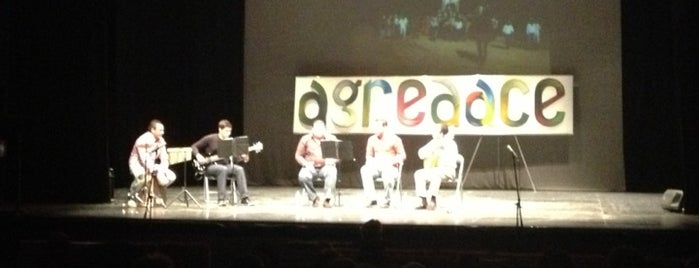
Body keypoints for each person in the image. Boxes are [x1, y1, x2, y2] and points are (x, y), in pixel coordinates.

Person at [191, 119, 251, 206]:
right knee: (222, 169)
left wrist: (243, 158)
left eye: (230, 131)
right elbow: (194, 146)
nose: (228, 133)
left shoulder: (231, 142)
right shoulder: (211, 138)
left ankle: (244, 198)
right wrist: (197, 155)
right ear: (220, 129)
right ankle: (221, 200)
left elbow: (235, 160)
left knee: (239, 169)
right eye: (226, 131)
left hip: (226, 166)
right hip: (210, 166)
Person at [127, 119, 177, 208]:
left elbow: (164, 158)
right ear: (153, 130)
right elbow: (144, 159)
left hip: (151, 164)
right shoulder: (143, 140)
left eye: (163, 130)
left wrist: (163, 168)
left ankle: (156, 197)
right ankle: (132, 196)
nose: (163, 133)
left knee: (168, 177)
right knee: (144, 177)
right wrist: (152, 170)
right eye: (160, 130)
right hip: (138, 164)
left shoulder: (161, 141)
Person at [360, 118, 406, 208]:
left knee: (388, 174)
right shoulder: (371, 139)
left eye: (377, 127)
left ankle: (387, 200)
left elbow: (402, 155)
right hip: (376, 166)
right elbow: (369, 156)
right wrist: (370, 162)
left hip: (390, 166)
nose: (375, 130)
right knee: (364, 170)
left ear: (384, 127)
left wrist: (393, 161)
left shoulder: (395, 139)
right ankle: (372, 199)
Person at [294, 119, 339, 208]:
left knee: (332, 172)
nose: (319, 131)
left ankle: (327, 199)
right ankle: (314, 198)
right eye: (317, 129)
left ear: (325, 130)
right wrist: (305, 163)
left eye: (321, 129)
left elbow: (338, 156)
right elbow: (298, 155)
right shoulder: (305, 139)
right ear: (312, 130)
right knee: (303, 175)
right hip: (311, 167)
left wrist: (332, 160)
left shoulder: (331, 139)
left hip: (325, 166)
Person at [413, 124, 458, 210]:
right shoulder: (434, 142)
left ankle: (433, 200)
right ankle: (423, 201)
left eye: (435, 131)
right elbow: (420, 154)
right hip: (436, 170)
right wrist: (431, 149)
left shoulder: (451, 143)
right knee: (418, 174)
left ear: (441, 133)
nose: (433, 133)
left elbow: (449, 161)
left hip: (448, 170)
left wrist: (439, 149)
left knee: (436, 175)